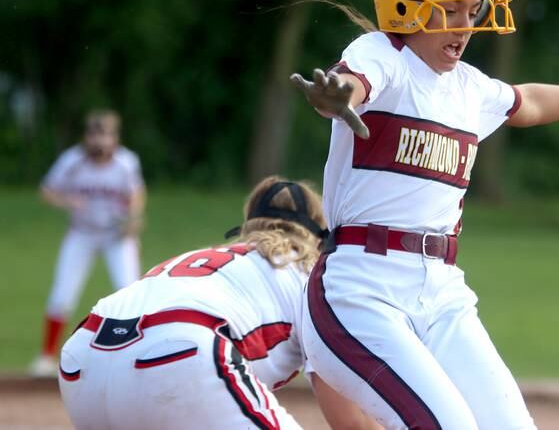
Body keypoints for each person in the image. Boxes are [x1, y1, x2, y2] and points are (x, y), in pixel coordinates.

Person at [290, 0, 559, 430]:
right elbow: (356, 81)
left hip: (442, 292)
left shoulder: (467, 87)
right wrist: (339, 98)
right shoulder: (383, 55)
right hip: (360, 290)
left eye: (473, 11)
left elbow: (526, 101)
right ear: (405, 7)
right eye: (450, 11)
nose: (465, 26)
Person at [58, 176, 381, 430]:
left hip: (82, 358)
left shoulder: (209, 258)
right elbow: (351, 421)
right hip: (180, 351)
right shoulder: (310, 275)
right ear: (318, 237)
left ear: (247, 227)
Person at [30, 110, 146, 377]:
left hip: (116, 236)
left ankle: (137, 353)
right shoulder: (73, 160)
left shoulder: (125, 162)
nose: (100, 141)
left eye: (105, 134)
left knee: (130, 292)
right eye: (95, 134)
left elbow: (136, 193)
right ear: (87, 136)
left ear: (114, 137)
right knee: (63, 293)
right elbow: (47, 190)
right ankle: (46, 356)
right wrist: (67, 201)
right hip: (81, 233)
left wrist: (134, 217)